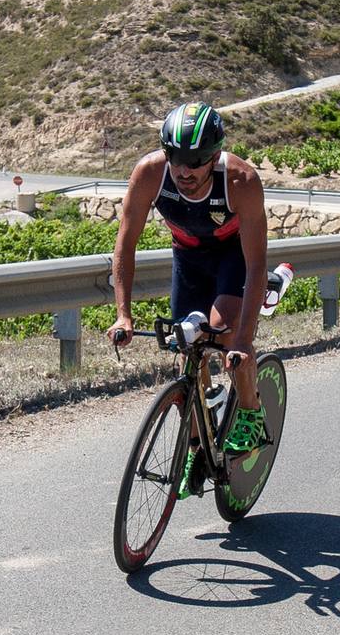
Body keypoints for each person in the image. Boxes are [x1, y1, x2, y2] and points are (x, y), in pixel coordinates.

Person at [107, 102, 271, 457]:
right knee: (186, 348)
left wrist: (242, 339)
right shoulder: (150, 173)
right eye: (176, 158)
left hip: (233, 256)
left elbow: (257, 264)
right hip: (188, 256)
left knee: (223, 332)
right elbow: (125, 245)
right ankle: (198, 445)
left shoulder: (241, 181)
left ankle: (249, 411)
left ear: (214, 156)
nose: (184, 170)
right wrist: (124, 314)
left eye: (196, 161)